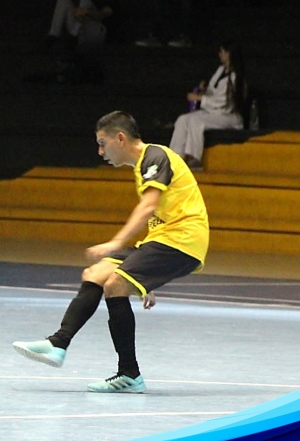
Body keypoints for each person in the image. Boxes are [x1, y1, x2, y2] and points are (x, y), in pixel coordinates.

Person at [13, 111, 209, 393]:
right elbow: (159, 218)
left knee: (114, 284)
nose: (100, 151)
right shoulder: (142, 166)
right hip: (164, 239)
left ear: (120, 138)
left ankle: (129, 374)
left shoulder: (155, 157)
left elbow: (148, 207)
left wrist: (116, 243)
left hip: (183, 240)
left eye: (103, 143)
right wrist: (144, 278)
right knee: (96, 273)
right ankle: (58, 343)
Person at [169, 40, 246, 169]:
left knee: (196, 121)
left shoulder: (234, 77)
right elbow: (213, 92)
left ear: (229, 54)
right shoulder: (220, 70)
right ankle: (175, 158)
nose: (220, 54)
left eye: (223, 51)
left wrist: (199, 98)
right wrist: (203, 91)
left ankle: (194, 159)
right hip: (213, 112)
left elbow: (222, 101)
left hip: (227, 115)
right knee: (183, 120)